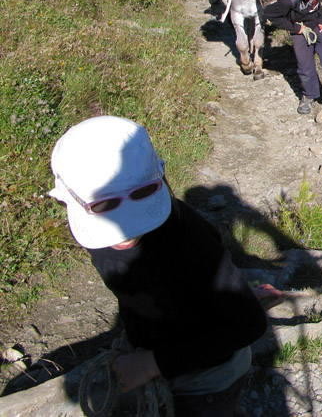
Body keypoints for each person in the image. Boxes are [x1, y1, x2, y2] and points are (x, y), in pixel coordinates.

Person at [49, 116, 281, 415]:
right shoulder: (96, 236)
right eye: (104, 206)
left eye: (142, 195)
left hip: (207, 382)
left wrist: (152, 363)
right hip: (165, 351)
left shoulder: (188, 239)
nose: (127, 228)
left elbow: (248, 323)